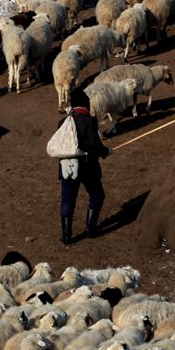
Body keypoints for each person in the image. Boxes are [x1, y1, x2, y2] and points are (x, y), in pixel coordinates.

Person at [59, 88, 111, 244]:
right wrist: (106, 151)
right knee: (97, 195)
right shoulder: (89, 121)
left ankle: (66, 236)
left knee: (67, 200)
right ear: (85, 103)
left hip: (67, 167)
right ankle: (90, 228)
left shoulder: (63, 122)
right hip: (88, 168)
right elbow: (95, 145)